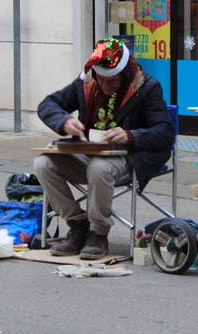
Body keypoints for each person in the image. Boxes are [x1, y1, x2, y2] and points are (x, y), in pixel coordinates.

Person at [34, 39, 174, 259]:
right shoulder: (87, 82)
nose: (106, 87)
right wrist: (63, 121)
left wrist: (129, 135)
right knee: (43, 163)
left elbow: (165, 132)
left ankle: (98, 233)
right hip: (88, 154)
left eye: (113, 81)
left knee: (99, 167)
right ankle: (78, 225)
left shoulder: (147, 86)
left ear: (125, 74)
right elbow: (47, 105)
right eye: (102, 80)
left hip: (128, 156)